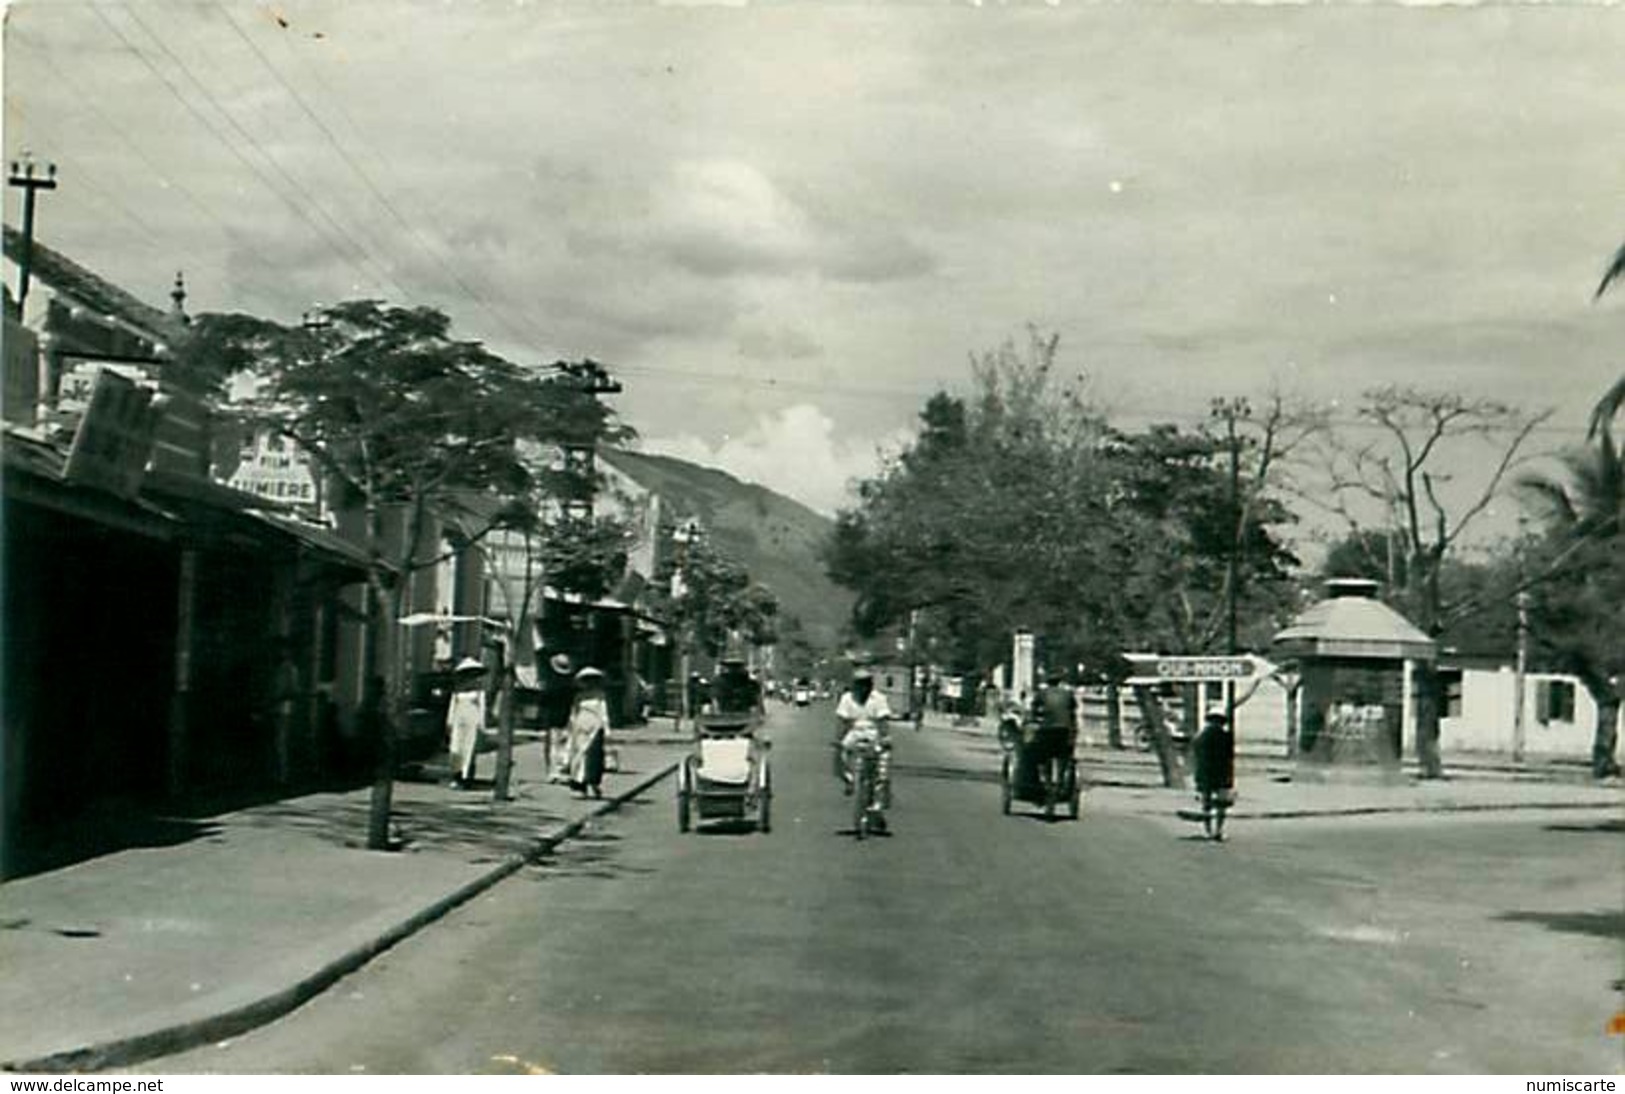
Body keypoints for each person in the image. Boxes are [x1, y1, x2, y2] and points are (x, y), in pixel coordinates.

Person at [835, 667, 893, 816]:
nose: (863, 687)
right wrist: (838, 739)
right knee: (840, 754)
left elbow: (883, 721)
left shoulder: (879, 698)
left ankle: (879, 800)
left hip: (873, 732)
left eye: (866, 683)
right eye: (859, 683)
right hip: (854, 732)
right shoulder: (847, 698)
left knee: (883, 766)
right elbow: (842, 721)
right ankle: (848, 779)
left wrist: (885, 738)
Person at [565, 666, 610, 798]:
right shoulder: (579, 696)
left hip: (595, 727)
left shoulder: (600, 696)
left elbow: (604, 712)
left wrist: (606, 728)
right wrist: (570, 727)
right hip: (580, 727)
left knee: (593, 756)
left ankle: (593, 783)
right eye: (587, 681)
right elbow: (574, 712)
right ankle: (579, 786)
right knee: (578, 756)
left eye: (592, 681)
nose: (589, 684)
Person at [1192, 709, 1237, 841]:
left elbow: (1198, 758)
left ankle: (1208, 830)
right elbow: (1230, 758)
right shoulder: (1226, 737)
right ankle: (1218, 830)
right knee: (1221, 805)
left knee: (1207, 804)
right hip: (1221, 774)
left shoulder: (1201, 737)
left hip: (1206, 774)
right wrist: (1230, 778)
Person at [446, 657, 488, 788]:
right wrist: (449, 721)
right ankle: (456, 776)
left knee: (469, 749)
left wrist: (482, 723)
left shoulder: (479, 691)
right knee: (456, 748)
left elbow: (482, 707)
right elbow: (452, 706)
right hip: (459, 720)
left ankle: (466, 777)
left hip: (472, 719)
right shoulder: (458, 690)